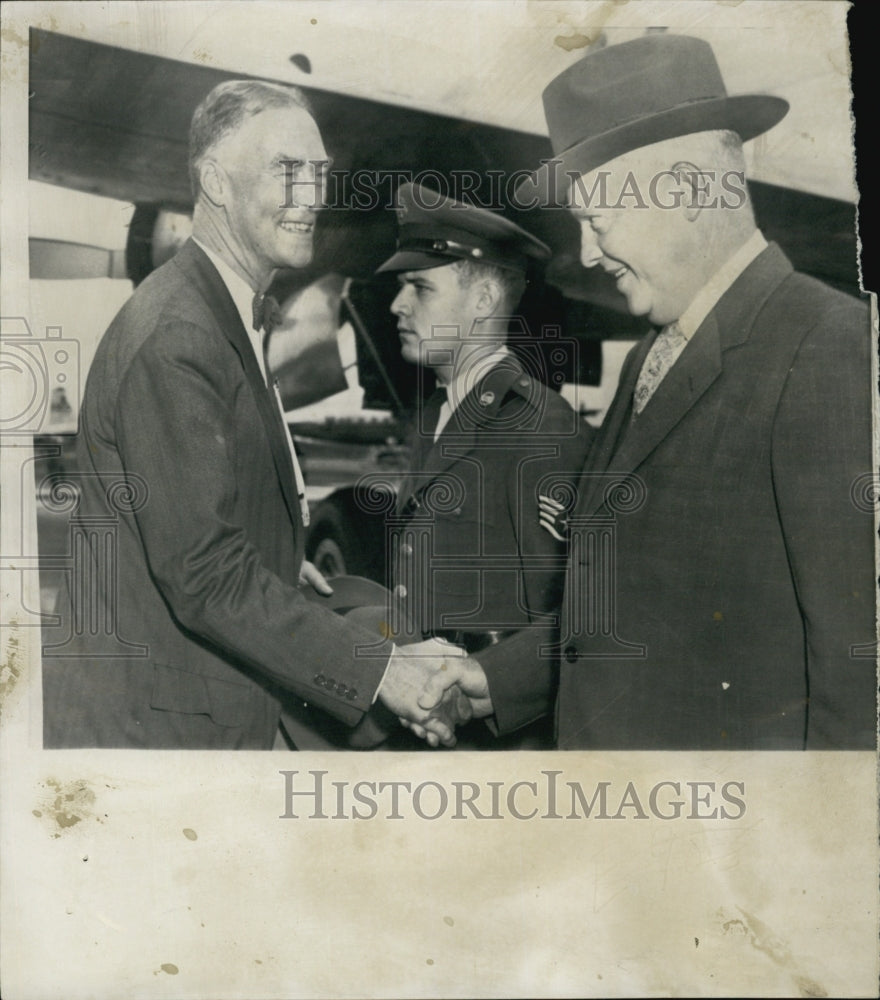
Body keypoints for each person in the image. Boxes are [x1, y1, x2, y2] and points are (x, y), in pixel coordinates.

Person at [420, 34, 877, 749]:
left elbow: (861, 678)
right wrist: (499, 679)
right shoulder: (648, 360)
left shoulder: (830, 351)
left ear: (693, 188)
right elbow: (646, 609)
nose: (589, 255)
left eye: (599, 221)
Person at [42, 80, 466, 750]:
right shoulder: (180, 334)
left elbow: (193, 513)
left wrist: (273, 547)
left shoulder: (219, 310)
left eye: (319, 172)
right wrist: (379, 666)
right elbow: (205, 575)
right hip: (153, 739)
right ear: (214, 180)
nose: (314, 196)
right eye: (286, 170)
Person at [348, 182, 592, 748]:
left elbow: (579, 624)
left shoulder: (540, 429)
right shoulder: (440, 414)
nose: (395, 305)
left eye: (419, 288)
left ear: (482, 301)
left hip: (498, 751)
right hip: (433, 729)